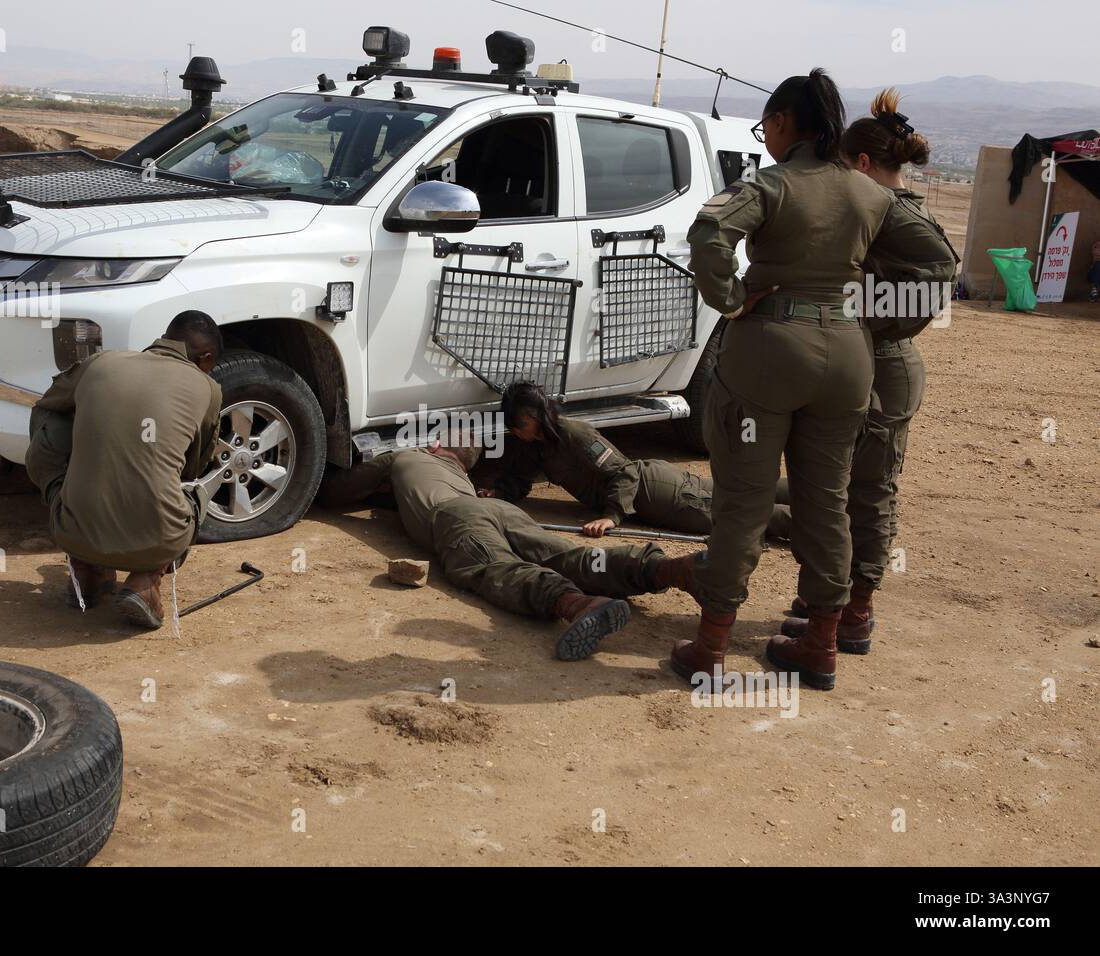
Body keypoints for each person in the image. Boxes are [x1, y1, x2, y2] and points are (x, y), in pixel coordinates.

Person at [668, 67, 909, 692]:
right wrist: (881, 320)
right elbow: (937, 258)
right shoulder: (871, 195)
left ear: (780, 124)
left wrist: (729, 298)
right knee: (827, 502)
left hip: (771, 353)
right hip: (848, 356)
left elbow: (709, 231)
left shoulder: (772, 185)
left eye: (766, 125)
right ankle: (822, 646)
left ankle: (711, 648)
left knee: (743, 503)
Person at [781, 89, 958, 654]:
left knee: (869, 491)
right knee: (831, 486)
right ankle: (826, 600)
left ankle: (856, 611)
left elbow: (938, 276)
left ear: (860, 163)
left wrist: (865, 315)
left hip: (882, 369)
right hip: (859, 364)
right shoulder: (885, 206)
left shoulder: (892, 212)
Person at [318, 441, 693, 661]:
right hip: (499, 510)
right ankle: (663, 569)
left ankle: (575, 604)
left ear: (436, 445)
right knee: (565, 554)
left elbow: (338, 492)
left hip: (456, 517)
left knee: (495, 567)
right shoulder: (461, 477)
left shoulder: (405, 455)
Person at [25, 311, 223, 629]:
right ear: (206, 357)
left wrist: (70, 465)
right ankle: (145, 583)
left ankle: (85, 569)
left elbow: (46, 407)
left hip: (71, 530)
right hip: (159, 535)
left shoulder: (101, 362)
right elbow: (194, 467)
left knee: (54, 417)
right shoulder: (207, 388)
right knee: (197, 490)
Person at [487, 381, 792, 540]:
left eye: (518, 424)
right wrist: (499, 492)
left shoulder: (574, 433)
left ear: (534, 417)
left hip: (656, 493)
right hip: (652, 490)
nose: (514, 431)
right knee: (735, 490)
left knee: (735, 517)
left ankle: (819, 522)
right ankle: (826, 500)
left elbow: (625, 474)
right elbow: (522, 475)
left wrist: (612, 516)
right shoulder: (539, 443)